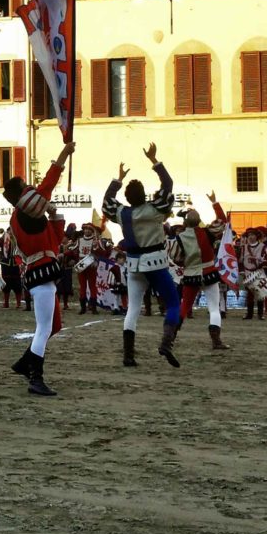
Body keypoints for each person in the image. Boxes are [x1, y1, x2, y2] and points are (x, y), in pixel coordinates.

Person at [3, 140, 75, 396]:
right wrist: (62, 156)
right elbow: (46, 187)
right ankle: (36, 376)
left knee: (53, 325)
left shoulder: (26, 216)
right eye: (26, 187)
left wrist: (55, 215)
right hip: (41, 275)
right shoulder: (24, 212)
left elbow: (54, 241)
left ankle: (26, 362)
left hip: (42, 273)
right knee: (45, 327)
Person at [102, 143, 181, 369]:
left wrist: (117, 180)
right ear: (144, 194)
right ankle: (166, 343)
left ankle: (128, 355)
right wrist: (154, 160)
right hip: (156, 261)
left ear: (127, 196)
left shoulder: (121, 212)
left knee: (133, 309)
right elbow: (168, 184)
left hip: (134, 264)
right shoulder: (155, 209)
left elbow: (107, 201)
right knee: (173, 303)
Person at [172, 193, 228, 349]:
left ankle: (170, 337)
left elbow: (176, 258)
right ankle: (216, 340)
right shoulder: (208, 232)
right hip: (210, 272)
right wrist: (215, 202)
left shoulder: (180, 238)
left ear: (185, 222)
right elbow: (223, 221)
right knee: (214, 308)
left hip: (191, 275)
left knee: (184, 306)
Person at [240, 227, 267, 320]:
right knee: (249, 294)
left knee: (260, 293)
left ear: (257, 236)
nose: (250, 237)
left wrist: (261, 261)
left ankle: (260, 314)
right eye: (249, 235)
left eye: (253, 235)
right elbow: (241, 260)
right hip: (247, 273)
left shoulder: (263, 247)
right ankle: (249, 314)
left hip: (258, 272)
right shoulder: (244, 247)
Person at [74, 223, 105, 315]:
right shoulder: (79, 240)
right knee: (82, 287)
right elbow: (72, 250)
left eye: (89, 229)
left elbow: (103, 252)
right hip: (81, 265)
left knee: (92, 287)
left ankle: (93, 308)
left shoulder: (97, 241)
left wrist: (96, 250)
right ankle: (83, 308)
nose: (86, 231)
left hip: (91, 264)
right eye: (85, 229)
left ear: (92, 231)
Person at [0, 228, 24, 310]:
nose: (11, 232)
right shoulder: (4, 238)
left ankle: (18, 303)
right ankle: (6, 303)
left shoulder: (18, 239)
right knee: (6, 284)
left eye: (12, 230)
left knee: (17, 284)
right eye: (9, 231)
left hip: (16, 263)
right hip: (6, 263)